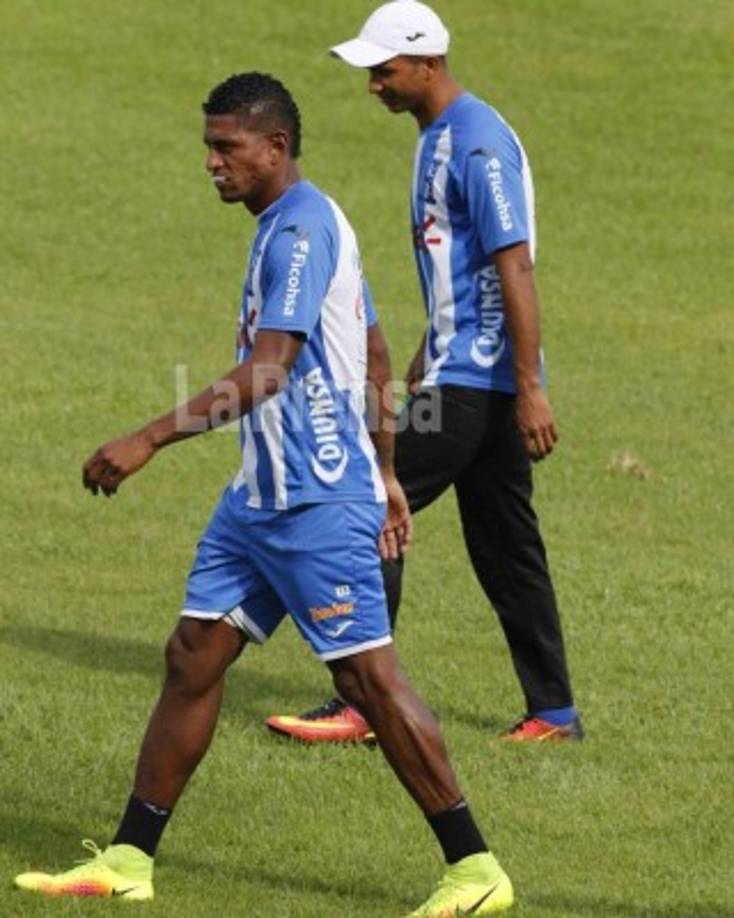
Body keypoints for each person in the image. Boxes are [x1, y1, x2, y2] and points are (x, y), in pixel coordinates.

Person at [13, 73, 515, 916]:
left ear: (274, 148)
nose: (211, 162)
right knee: (192, 657)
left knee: (367, 683)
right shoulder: (295, 223)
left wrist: (147, 438)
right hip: (259, 501)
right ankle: (131, 858)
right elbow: (380, 352)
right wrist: (390, 471)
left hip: (316, 502)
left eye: (225, 147)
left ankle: (475, 870)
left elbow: (269, 368)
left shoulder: (301, 231)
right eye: (209, 145)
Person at [266, 0, 582, 745]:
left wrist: (530, 384)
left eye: (384, 70)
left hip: (476, 382)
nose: (373, 83)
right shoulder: (439, 136)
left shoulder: (474, 145)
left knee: (369, 497)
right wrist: (426, 349)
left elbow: (515, 264)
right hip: (465, 372)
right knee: (507, 545)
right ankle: (554, 712)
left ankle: (365, 704)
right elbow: (464, 268)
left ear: (428, 64)